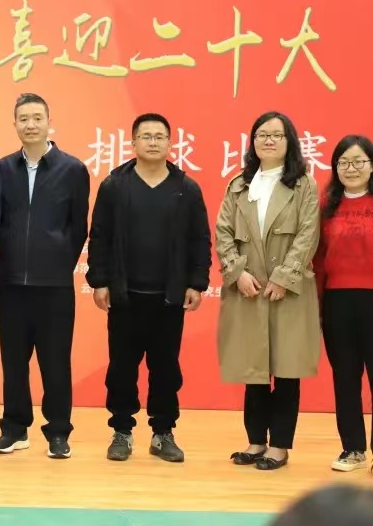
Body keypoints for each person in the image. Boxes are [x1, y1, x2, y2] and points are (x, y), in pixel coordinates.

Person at [86, 112, 211, 464]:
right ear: (133, 142)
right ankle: (121, 432)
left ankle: (162, 432)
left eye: (159, 136)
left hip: (169, 298)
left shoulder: (186, 188)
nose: (153, 142)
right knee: (121, 369)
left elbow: (200, 239)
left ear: (170, 143)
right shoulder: (114, 186)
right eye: (146, 136)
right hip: (124, 297)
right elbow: (99, 236)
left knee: (166, 369)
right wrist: (99, 281)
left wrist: (196, 282)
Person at [216, 111, 320, 471]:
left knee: (287, 369)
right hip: (249, 288)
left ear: (289, 142)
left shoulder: (304, 184)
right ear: (253, 142)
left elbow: (308, 234)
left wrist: (284, 276)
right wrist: (237, 273)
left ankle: (280, 446)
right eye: (262, 135)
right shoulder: (239, 184)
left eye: (277, 135)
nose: (269, 140)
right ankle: (256, 441)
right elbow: (223, 232)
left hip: (288, 291)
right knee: (254, 369)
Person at [0, 93, 89, 459]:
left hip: (55, 286)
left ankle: (58, 432)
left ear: (49, 122)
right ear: (14, 124)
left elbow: (78, 227)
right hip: (12, 283)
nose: (30, 125)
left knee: (56, 362)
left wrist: (59, 262)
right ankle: (15, 429)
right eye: (23, 118)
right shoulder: (2, 168)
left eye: (37, 118)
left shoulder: (72, 169)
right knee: (13, 362)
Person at [314, 135, 373, 472]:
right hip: (338, 301)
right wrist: (318, 304)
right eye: (344, 162)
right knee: (346, 378)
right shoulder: (326, 206)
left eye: (359, 161)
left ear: (371, 165)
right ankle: (353, 449)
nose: (351, 168)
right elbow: (318, 259)